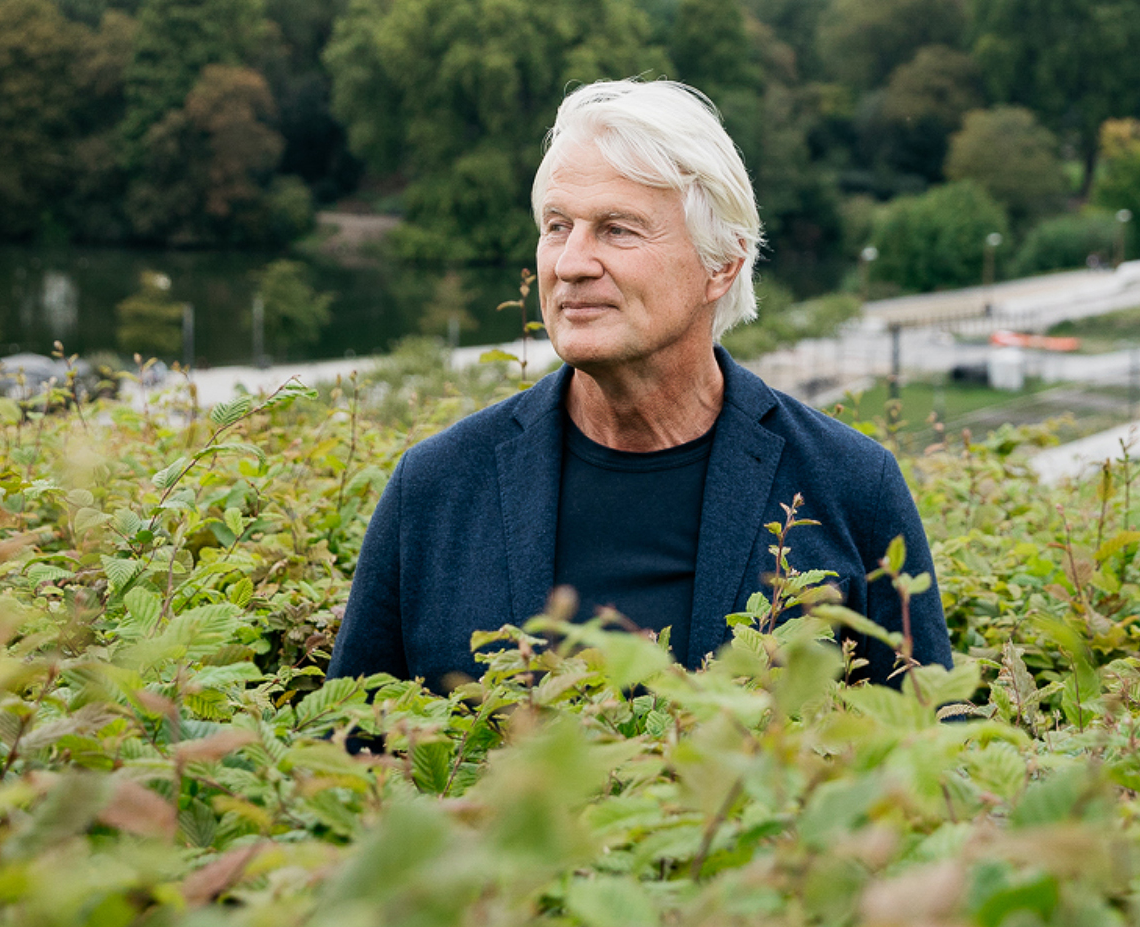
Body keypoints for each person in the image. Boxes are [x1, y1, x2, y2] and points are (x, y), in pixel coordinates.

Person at [327, 78, 955, 687]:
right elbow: (349, 760)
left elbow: (925, 759)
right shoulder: (434, 489)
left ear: (722, 263)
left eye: (617, 229)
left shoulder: (850, 487)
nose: (571, 263)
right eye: (556, 226)